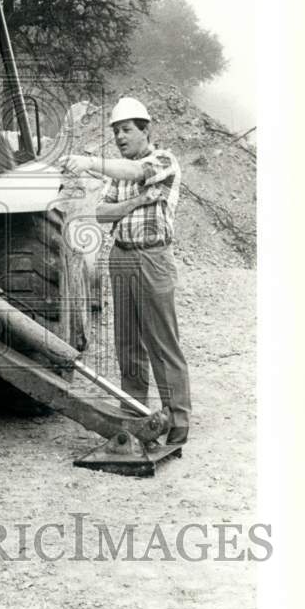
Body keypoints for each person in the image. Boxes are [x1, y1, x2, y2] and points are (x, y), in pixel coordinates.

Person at [60, 96, 191, 445]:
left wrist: (89, 162)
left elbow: (136, 173)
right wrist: (135, 202)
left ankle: (178, 420)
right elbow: (101, 213)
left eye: (127, 130)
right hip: (121, 255)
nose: (120, 137)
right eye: (116, 131)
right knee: (128, 342)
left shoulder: (163, 160)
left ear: (145, 130)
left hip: (152, 257)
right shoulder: (120, 171)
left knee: (161, 342)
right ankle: (134, 415)